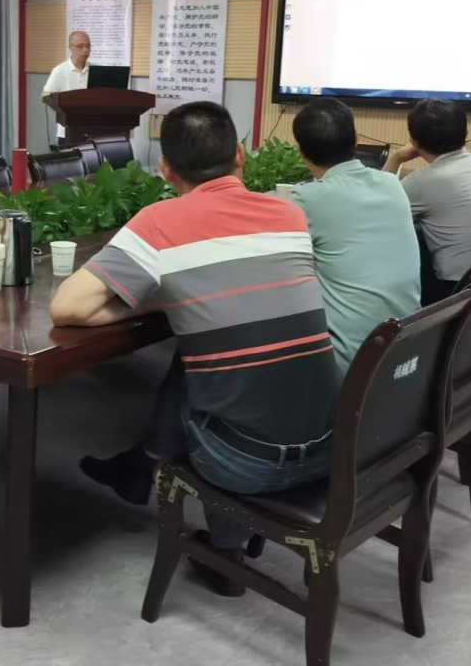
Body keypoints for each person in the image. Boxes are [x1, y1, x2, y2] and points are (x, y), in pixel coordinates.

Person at [51, 101, 338, 597]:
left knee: (197, 373)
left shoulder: (159, 223)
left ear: (165, 170)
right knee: (215, 357)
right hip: (329, 448)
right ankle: (145, 473)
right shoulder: (289, 214)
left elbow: (67, 307)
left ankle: (223, 550)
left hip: (246, 466)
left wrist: (167, 296)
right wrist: (183, 297)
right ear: (240, 156)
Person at [288, 99, 421, 374]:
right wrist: (395, 159)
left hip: (352, 364)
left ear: (300, 150)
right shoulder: (392, 185)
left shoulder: (307, 199)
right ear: (356, 139)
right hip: (406, 353)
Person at [383, 99, 471, 305]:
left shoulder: (421, 182)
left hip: (459, 292)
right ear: (466, 133)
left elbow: (377, 214)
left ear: (413, 140)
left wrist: (395, 158)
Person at [41, 31, 92, 143]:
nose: (85, 50)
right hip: (66, 132)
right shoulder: (60, 71)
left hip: (91, 132)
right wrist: (64, 109)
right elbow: (45, 96)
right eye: (81, 46)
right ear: (70, 48)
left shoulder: (95, 70)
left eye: (88, 46)